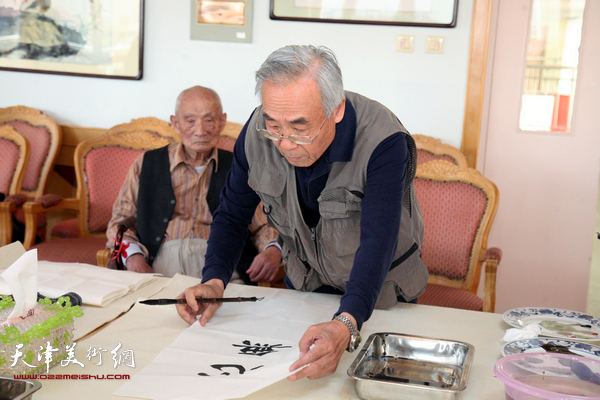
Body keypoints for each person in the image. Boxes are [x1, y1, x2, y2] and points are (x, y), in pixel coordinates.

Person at [176, 46, 429, 380]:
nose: (285, 143)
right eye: (274, 125)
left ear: (336, 109)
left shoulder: (383, 140)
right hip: (306, 286)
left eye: (299, 127)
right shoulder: (256, 134)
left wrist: (346, 323)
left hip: (380, 292)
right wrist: (214, 280)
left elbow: (378, 240)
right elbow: (232, 213)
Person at [106, 86, 282, 283]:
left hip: (224, 269)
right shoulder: (146, 164)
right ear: (175, 123)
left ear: (222, 121)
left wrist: (272, 250)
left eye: (209, 120)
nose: (200, 131)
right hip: (159, 269)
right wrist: (133, 257)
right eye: (190, 121)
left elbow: (263, 225)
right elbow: (119, 223)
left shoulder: (239, 166)